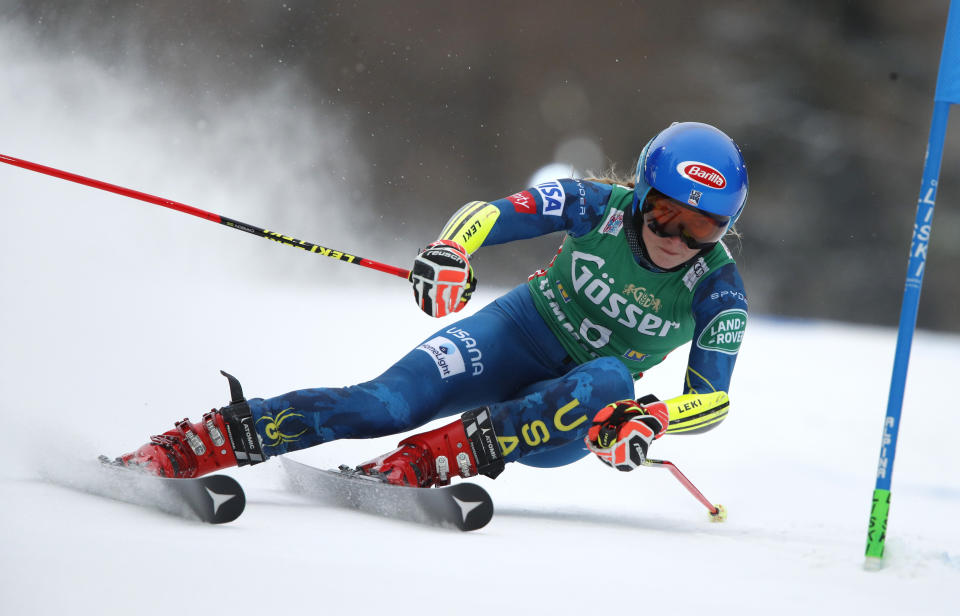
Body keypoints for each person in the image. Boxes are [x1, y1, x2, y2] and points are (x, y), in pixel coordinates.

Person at [114, 121, 750, 487]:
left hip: (571, 412)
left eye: (703, 228)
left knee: (611, 377)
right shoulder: (596, 207)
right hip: (513, 333)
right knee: (385, 403)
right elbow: (489, 214)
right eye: (665, 214)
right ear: (640, 195)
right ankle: (206, 441)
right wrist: (451, 251)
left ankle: (434, 458)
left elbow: (713, 398)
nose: (676, 238)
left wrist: (650, 419)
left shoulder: (718, 289)